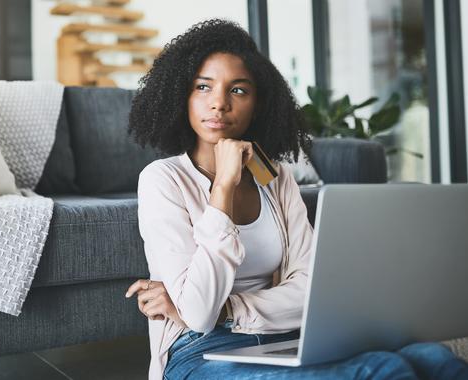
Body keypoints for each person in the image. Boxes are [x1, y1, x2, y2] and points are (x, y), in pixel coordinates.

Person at [124, 19, 468, 380]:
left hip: (279, 336)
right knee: (381, 369)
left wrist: (230, 309)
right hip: (198, 351)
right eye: (203, 87)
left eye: (238, 90)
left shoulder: (275, 178)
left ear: (258, 104)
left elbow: (308, 291)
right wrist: (223, 186)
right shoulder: (162, 180)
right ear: (183, 95)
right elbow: (197, 315)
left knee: (432, 358)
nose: (219, 104)